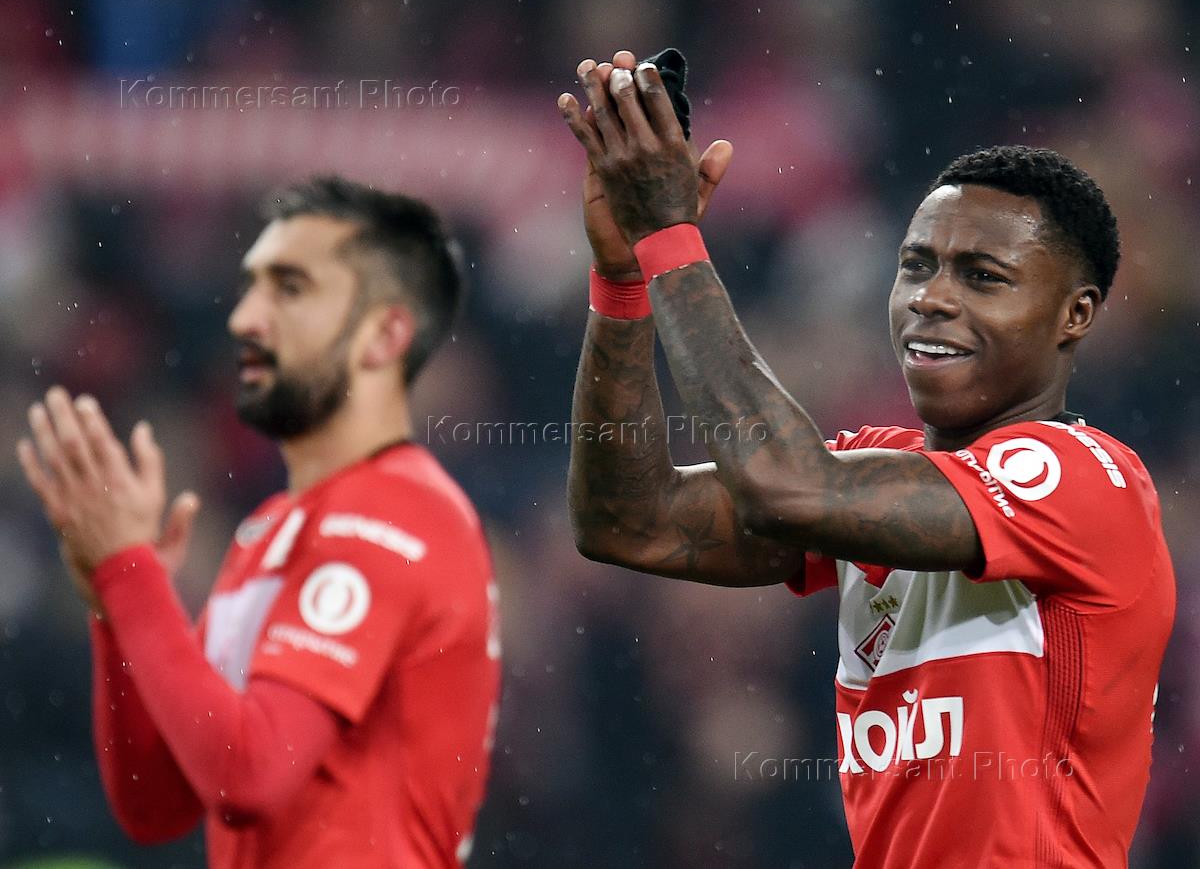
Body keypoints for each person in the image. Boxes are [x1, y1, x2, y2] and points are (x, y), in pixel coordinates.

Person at [560, 50, 1174, 867]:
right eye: (916, 265)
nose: (932, 297)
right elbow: (626, 521)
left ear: (1075, 314)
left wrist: (670, 237)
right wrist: (624, 272)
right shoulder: (871, 476)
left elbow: (784, 485)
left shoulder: (1082, 478)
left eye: (983, 277)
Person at [17, 177, 501, 868]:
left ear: (384, 335)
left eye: (290, 289)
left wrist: (129, 569)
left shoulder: (394, 514)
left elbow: (248, 777)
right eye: (250, 287)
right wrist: (116, 597)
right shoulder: (271, 530)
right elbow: (156, 801)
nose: (245, 317)